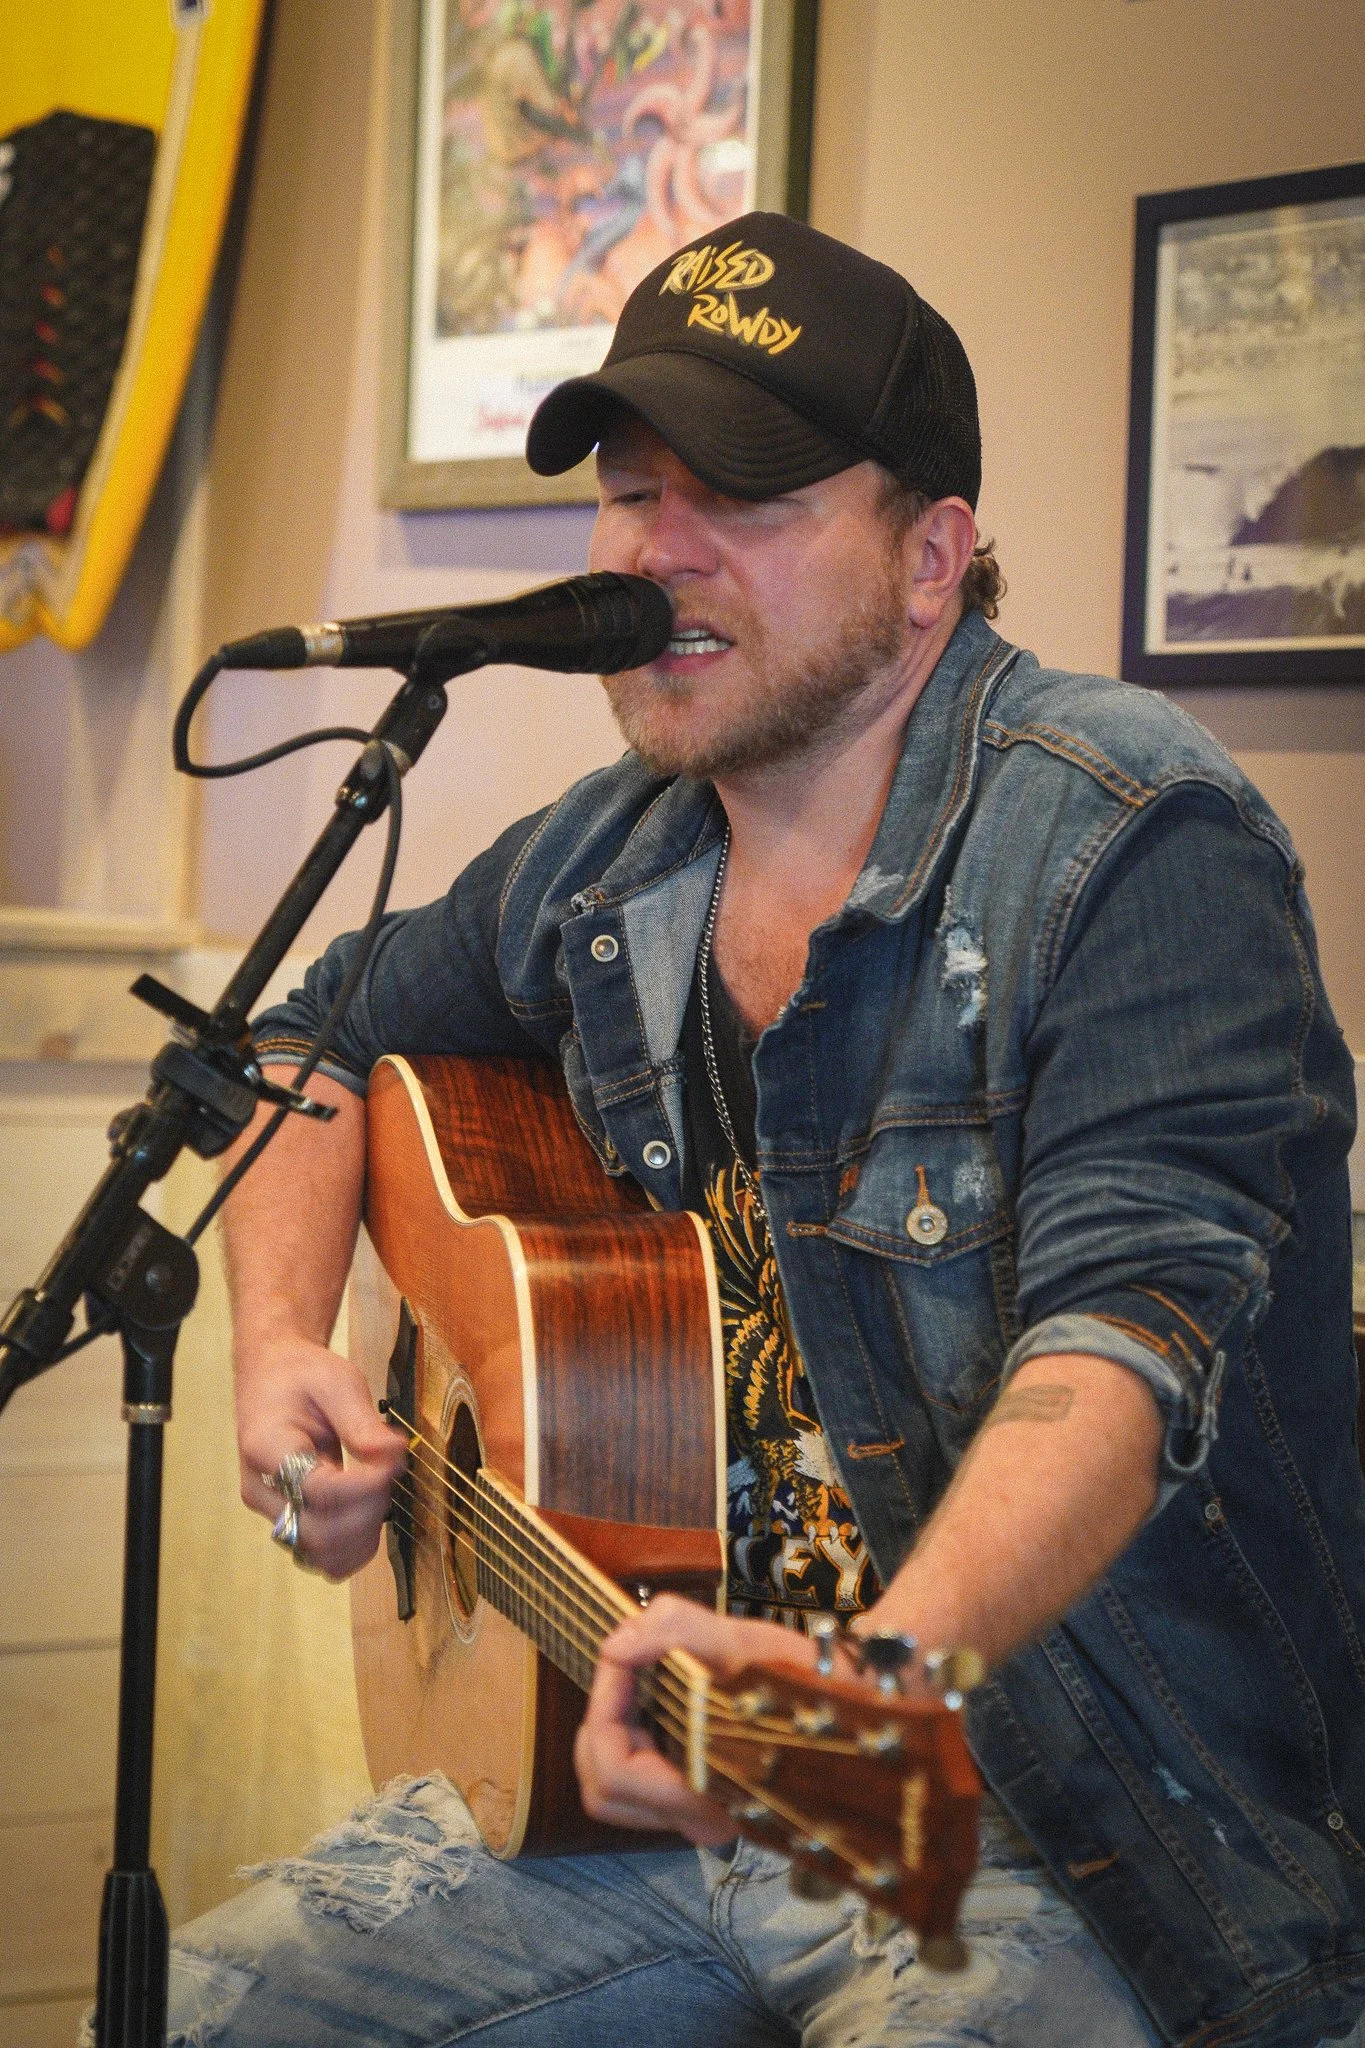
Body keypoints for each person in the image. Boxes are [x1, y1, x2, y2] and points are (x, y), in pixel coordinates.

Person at [165, 212, 1365, 2047]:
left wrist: (862, 1687)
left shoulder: (1135, 839)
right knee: (188, 2012)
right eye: (630, 492)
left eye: (741, 496)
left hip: (1074, 1833)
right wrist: (278, 1349)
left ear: (930, 560)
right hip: (643, 1794)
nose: (656, 549)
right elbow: (300, 1040)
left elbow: (1130, 1341)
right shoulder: (611, 857)